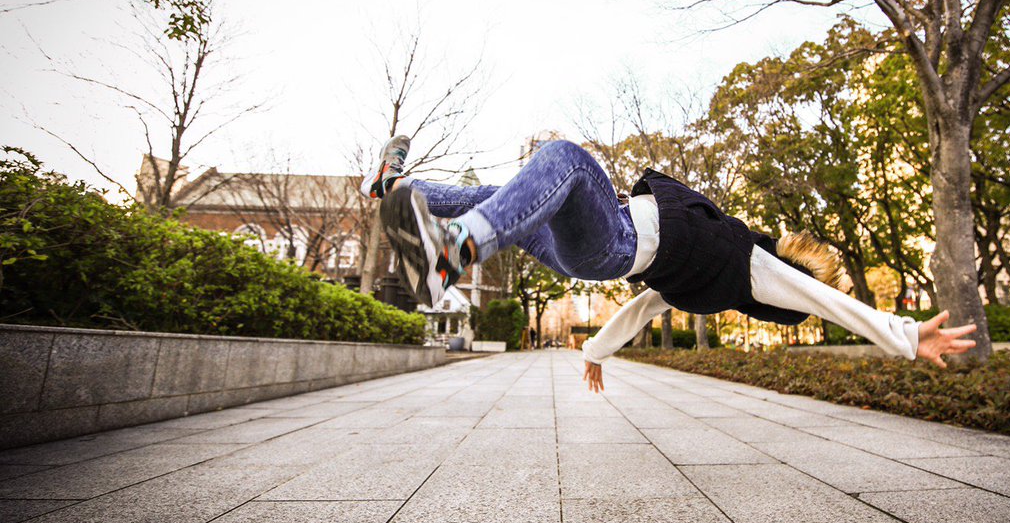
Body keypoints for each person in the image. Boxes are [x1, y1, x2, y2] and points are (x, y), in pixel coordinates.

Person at [362, 134, 977, 393]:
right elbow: (641, 308)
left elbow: (823, 300)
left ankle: (453, 250)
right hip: (596, 249)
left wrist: (903, 336)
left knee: (566, 159)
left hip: (613, 240)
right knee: (507, 198)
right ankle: (395, 187)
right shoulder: (706, 279)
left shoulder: (752, 265)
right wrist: (597, 351)